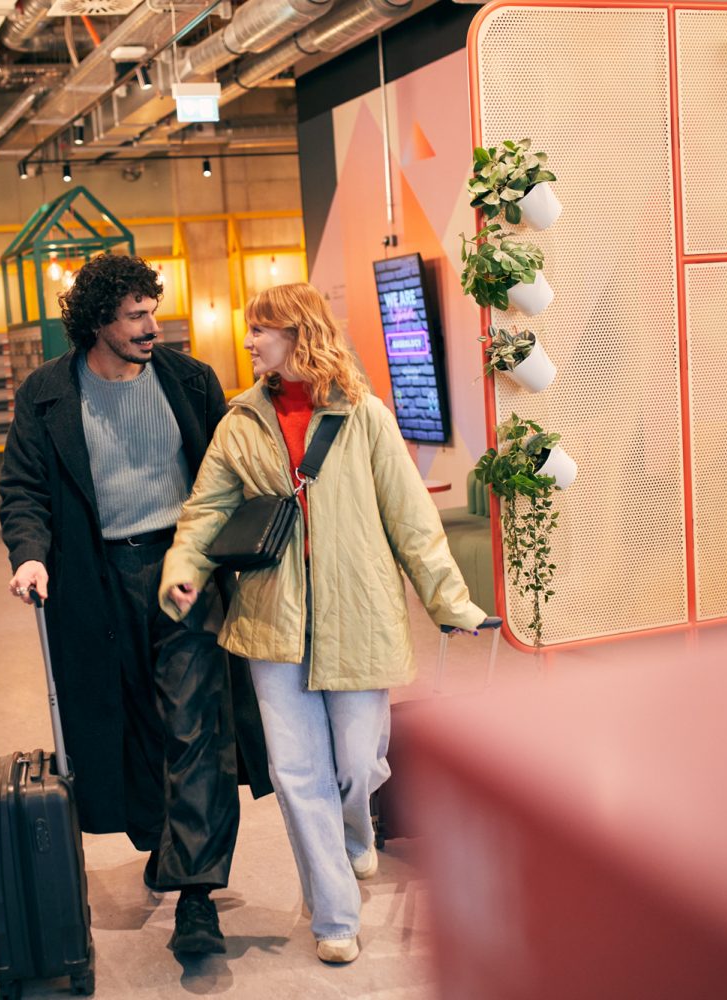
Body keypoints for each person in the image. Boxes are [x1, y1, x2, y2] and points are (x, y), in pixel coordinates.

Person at [158, 282, 488, 964]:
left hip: (358, 615)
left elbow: (412, 520)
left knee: (359, 761)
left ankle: (357, 829)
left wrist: (450, 602)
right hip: (271, 623)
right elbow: (204, 512)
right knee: (295, 770)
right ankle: (335, 917)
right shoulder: (240, 422)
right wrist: (181, 569)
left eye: (261, 329)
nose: (248, 341)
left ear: (297, 333)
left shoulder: (364, 415)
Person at [0, 253, 270, 956]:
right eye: (135, 316)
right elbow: (24, 488)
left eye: (153, 311)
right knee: (133, 727)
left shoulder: (190, 381)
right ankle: (165, 842)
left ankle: (197, 896)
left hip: (184, 573)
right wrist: (29, 553)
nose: (153, 325)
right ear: (97, 324)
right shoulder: (47, 395)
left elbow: (226, 475)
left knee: (196, 725)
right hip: (95, 581)